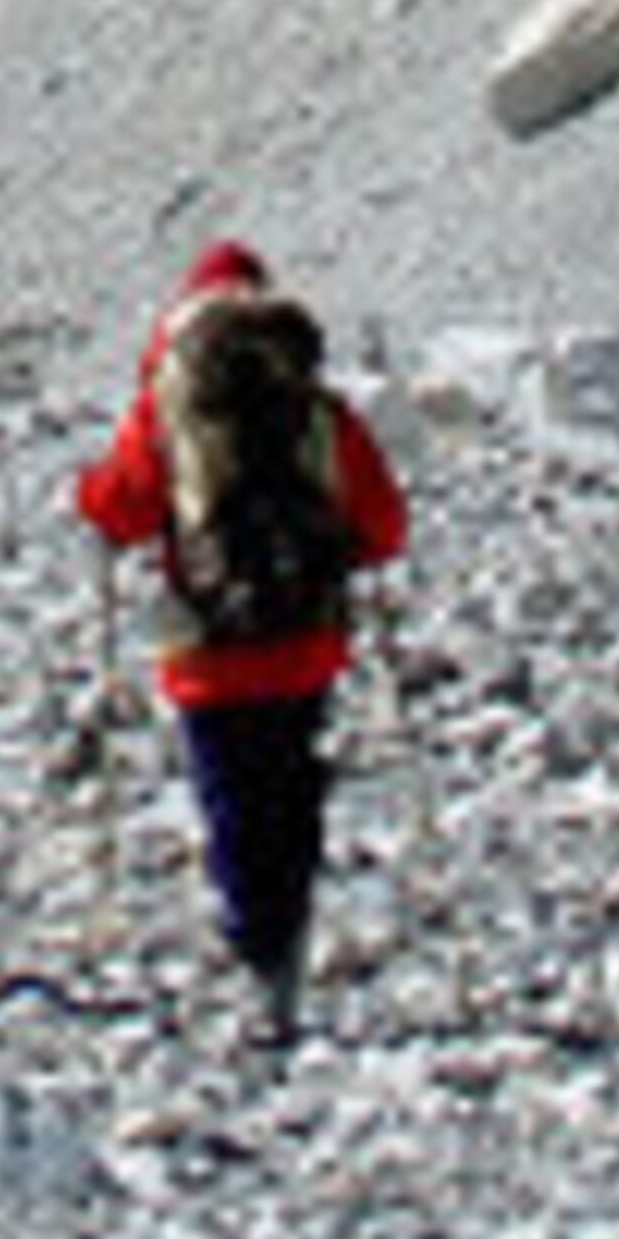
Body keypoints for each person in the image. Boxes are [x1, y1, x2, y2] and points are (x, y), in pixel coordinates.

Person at [73, 234, 409, 1041]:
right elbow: (383, 525)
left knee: (231, 793)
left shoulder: (172, 404)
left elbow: (118, 505)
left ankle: (254, 936)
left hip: (209, 643)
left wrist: (91, 497)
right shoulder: (316, 409)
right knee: (291, 780)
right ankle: (284, 938)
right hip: (305, 631)